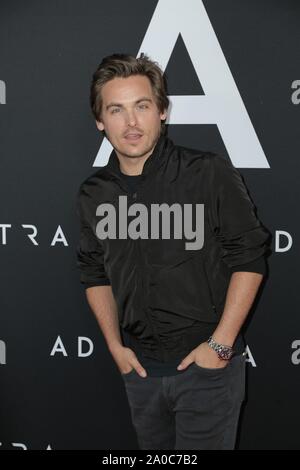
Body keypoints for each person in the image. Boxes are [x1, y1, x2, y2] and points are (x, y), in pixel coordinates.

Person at [76, 53, 271, 450]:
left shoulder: (208, 173)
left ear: (162, 111)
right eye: (116, 110)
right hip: (142, 375)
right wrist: (115, 347)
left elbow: (250, 258)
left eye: (142, 106)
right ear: (100, 120)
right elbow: (94, 272)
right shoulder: (93, 194)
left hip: (207, 372)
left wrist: (220, 345)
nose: (131, 122)